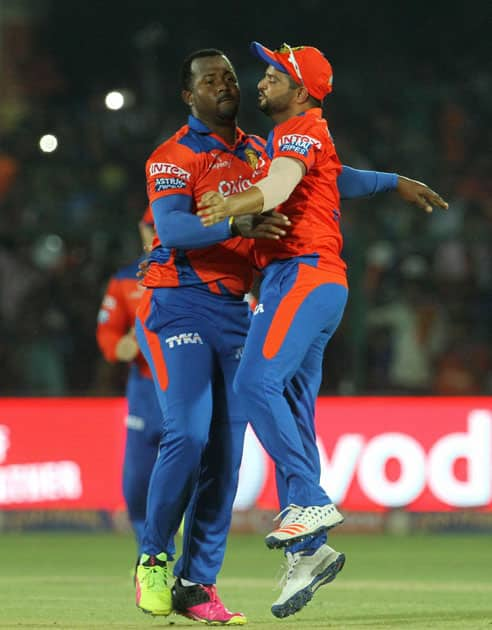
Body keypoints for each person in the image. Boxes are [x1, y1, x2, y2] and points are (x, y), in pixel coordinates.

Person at [134, 46, 447, 624]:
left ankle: (201, 582)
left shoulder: (267, 144)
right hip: (181, 302)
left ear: (298, 89)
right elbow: (173, 226)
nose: (235, 84)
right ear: (189, 95)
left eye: (236, 75)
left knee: (228, 453)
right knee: (194, 432)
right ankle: (155, 556)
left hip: (254, 299)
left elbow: (309, 179)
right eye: (212, 79)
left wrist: (389, 181)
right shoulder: (173, 156)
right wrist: (234, 218)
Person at [96, 210, 178, 563]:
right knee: (136, 486)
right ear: (143, 229)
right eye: (153, 226)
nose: (158, 232)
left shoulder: (195, 275)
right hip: (145, 390)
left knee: (187, 479)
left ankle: (185, 562)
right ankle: (151, 559)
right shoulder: (126, 281)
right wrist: (120, 347)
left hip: (183, 388)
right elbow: (108, 333)